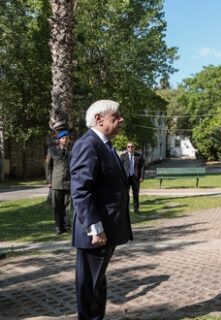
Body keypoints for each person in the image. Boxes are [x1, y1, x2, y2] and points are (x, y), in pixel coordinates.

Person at [70, 99, 132, 319]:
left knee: (97, 283)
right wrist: (95, 229)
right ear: (99, 119)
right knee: (89, 286)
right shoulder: (88, 144)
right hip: (96, 233)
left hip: (106, 230)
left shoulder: (104, 144)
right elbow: (80, 190)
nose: (121, 119)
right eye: (116, 117)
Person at [46, 129, 72, 234]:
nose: (65, 140)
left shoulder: (71, 152)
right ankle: (58, 226)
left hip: (69, 182)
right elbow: (48, 167)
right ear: (59, 139)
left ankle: (67, 226)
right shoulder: (52, 150)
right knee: (57, 206)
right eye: (63, 138)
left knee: (68, 207)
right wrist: (49, 180)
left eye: (66, 138)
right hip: (56, 183)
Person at [120, 141, 144, 214]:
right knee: (125, 195)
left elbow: (142, 167)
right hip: (126, 178)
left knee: (135, 194)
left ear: (134, 147)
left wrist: (142, 177)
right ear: (127, 148)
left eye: (132, 146)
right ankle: (125, 210)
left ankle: (136, 209)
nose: (130, 148)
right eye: (128, 147)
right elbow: (120, 168)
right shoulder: (123, 156)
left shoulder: (139, 156)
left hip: (135, 178)